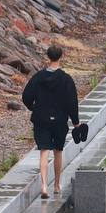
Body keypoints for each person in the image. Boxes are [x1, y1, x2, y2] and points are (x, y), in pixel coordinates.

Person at [21, 44, 81, 200]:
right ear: (61, 57)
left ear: (48, 57)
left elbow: (26, 96)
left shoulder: (38, 77)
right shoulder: (66, 80)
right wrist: (75, 123)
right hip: (60, 120)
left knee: (44, 151)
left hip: (41, 118)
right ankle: (56, 185)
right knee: (58, 151)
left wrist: (34, 107)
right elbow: (72, 103)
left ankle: (44, 186)